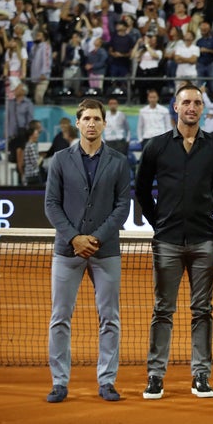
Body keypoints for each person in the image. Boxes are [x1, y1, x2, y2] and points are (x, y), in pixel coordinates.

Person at [136, 83, 213, 400]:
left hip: (204, 240)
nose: (192, 107)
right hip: (167, 241)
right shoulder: (156, 146)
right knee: (163, 310)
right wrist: (159, 221)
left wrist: (203, 213)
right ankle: (155, 376)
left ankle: (201, 375)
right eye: (186, 102)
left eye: (197, 103)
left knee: (202, 310)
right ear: (175, 106)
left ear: (203, 109)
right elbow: (142, 190)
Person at [44, 98, 131, 403]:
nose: (91, 123)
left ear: (104, 123)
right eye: (86, 119)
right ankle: (59, 382)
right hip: (67, 251)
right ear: (77, 123)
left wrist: (93, 238)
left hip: (105, 250)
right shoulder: (59, 160)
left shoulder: (119, 162)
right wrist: (74, 239)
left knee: (110, 318)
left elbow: (122, 207)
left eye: (96, 118)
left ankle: (107, 380)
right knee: (60, 317)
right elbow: (51, 205)